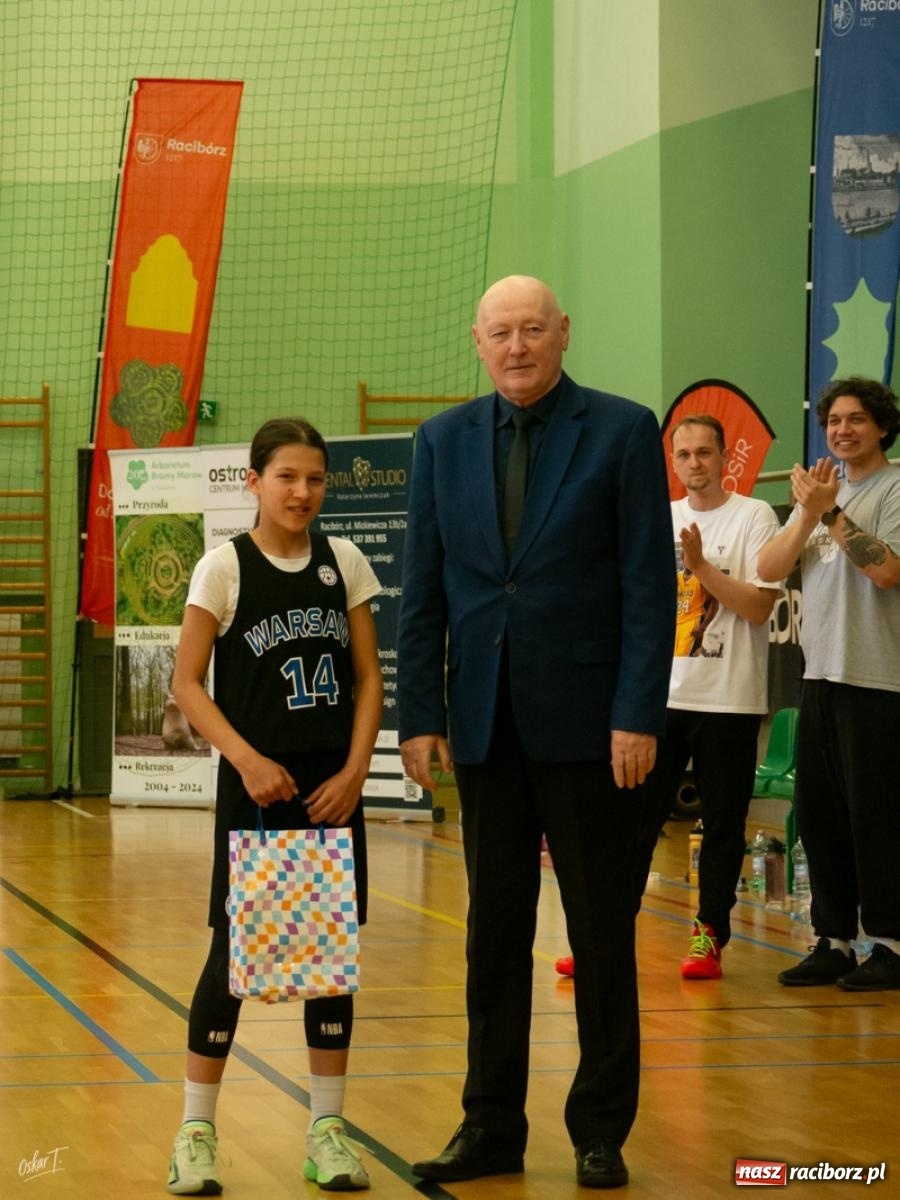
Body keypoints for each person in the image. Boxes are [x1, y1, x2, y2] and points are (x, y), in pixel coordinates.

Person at [397, 275, 674, 1190]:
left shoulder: (625, 431)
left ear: (563, 333)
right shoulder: (439, 442)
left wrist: (638, 711)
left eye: (532, 330)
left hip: (595, 731)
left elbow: (647, 586)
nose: (516, 346)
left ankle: (600, 1131)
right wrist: (421, 718)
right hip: (485, 728)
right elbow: (424, 592)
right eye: (499, 332)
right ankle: (491, 1129)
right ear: (477, 341)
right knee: (493, 936)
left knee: (598, 935)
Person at [166, 418, 383, 1195]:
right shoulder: (223, 569)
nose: (302, 492)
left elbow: (366, 678)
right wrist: (248, 758)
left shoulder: (344, 561)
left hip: (332, 792)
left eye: (315, 479)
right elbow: (188, 683)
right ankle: (196, 1132)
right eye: (287, 476)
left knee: (329, 957)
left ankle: (328, 1130)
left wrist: (358, 769)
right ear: (253, 481)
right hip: (255, 793)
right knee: (234, 953)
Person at [757, 376, 900, 992]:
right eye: (833, 420)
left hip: (878, 679)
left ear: (883, 427)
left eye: (855, 419)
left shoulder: (892, 488)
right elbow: (767, 570)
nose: (841, 430)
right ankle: (834, 939)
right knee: (820, 817)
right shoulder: (820, 498)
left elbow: (887, 570)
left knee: (878, 818)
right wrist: (810, 514)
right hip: (819, 675)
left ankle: (891, 943)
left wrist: (832, 512)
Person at [640, 415, 781, 978]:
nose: (694, 463)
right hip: (663, 701)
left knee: (723, 825)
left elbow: (757, 607)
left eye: (705, 453)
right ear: (671, 462)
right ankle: (604, 935)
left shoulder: (753, 516)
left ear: (725, 458)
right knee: (634, 821)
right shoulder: (659, 519)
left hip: (730, 702)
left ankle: (709, 936)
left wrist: (699, 568)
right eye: (684, 455)